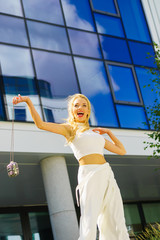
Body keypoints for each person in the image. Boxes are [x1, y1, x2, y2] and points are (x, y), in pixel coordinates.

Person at [12, 93, 130, 240]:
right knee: (89, 218)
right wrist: (28, 102)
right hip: (89, 174)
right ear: (72, 110)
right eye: (76, 105)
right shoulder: (70, 129)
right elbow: (41, 124)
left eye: (84, 105)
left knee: (115, 216)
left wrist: (109, 133)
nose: (80, 107)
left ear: (88, 111)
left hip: (106, 173)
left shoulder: (95, 134)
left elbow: (121, 150)